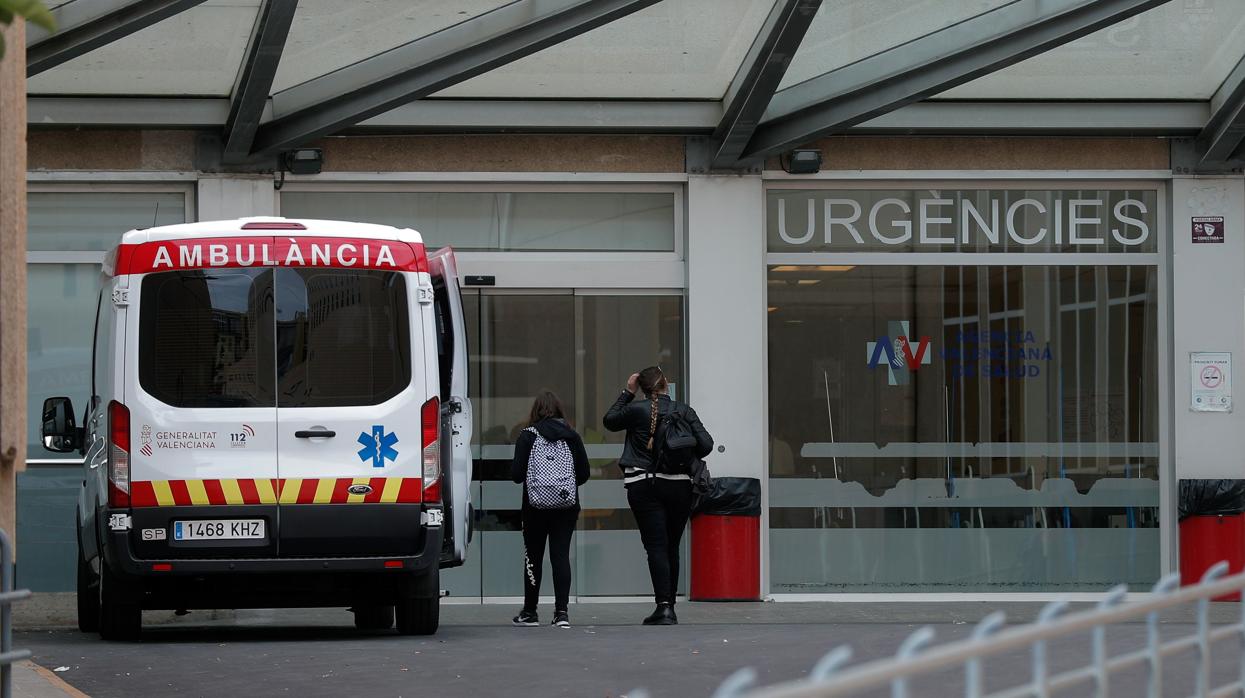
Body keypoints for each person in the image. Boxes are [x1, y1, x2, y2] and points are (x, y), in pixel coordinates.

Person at [603, 366, 713, 625]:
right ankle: (670, 607)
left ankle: (663, 606)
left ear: (642, 388)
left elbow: (610, 420)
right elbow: (706, 445)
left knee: (655, 546)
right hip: (680, 487)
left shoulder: (636, 410)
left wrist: (627, 392)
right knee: (671, 546)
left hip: (644, 485)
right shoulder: (683, 410)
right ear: (666, 384)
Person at [510, 390, 590, 629]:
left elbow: (516, 476)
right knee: (560, 556)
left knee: (533, 558)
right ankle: (562, 613)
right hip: (566, 507)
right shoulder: (572, 436)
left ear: (535, 411)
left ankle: (530, 612)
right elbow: (584, 474)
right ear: (559, 410)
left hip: (534, 507)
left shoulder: (527, 436)